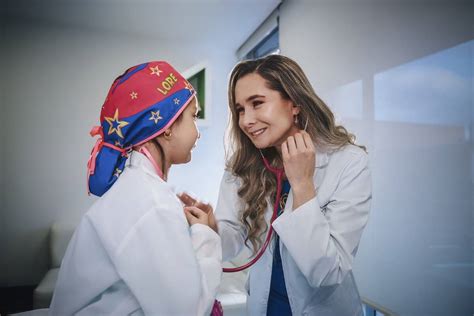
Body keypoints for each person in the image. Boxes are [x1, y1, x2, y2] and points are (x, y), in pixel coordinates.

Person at [185, 55, 372, 316]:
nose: (246, 120)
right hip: (265, 307)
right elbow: (233, 237)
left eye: (257, 103)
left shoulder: (348, 163)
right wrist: (212, 228)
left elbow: (328, 272)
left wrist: (303, 185)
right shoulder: (243, 165)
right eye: (240, 109)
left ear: (294, 103)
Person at [49, 61, 222, 315]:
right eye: (194, 117)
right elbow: (189, 311)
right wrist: (205, 235)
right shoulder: (152, 203)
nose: (198, 132)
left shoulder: (139, 189)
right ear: (167, 127)